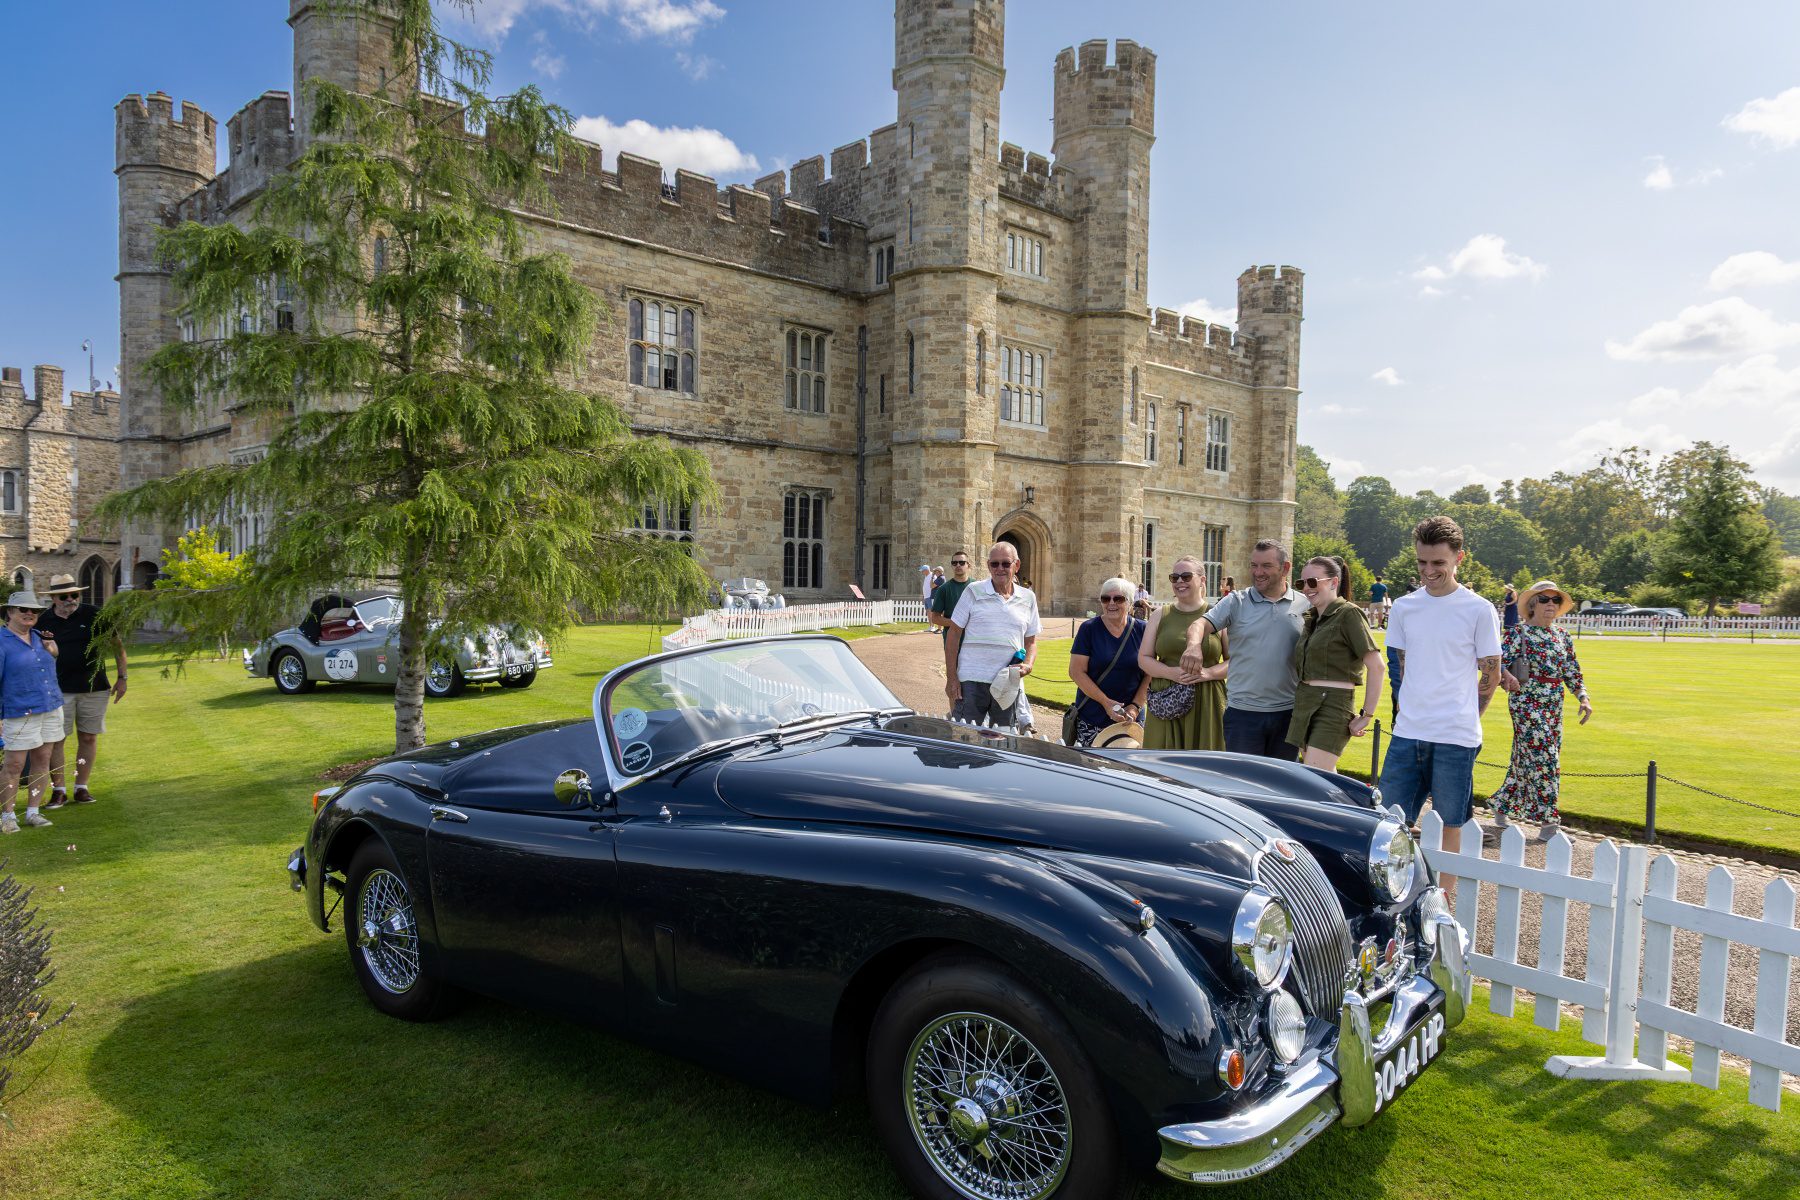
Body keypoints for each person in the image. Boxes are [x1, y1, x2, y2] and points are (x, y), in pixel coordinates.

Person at [1379, 516, 1503, 895]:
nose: (1429, 571)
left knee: (1452, 821)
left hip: (1456, 735)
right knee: (1388, 822)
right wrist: (1408, 709)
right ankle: (1392, 897)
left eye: (1438, 563)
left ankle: (1444, 904)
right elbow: (1397, 666)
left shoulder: (1479, 609)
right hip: (1408, 733)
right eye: (1422, 562)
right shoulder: (1403, 607)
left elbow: (1491, 674)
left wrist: (1464, 718)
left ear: (1458, 559)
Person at [1179, 539, 1308, 759]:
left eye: (1266, 566)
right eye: (1254, 565)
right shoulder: (1236, 602)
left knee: (1282, 787)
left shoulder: (1306, 605)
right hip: (1243, 715)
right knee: (1243, 786)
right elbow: (1199, 624)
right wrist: (1193, 647)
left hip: (1289, 714)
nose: (1258, 572)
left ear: (1285, 568)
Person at [1488, 581, 1593, 844]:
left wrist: (1583, 697)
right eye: (1545, 599)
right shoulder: (1519, 634)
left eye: (1555, 601)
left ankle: (1502, 805)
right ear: (1533, 604)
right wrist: (1507, 676)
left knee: (1526, 759)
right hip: (1526, 702)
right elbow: (1497, 663)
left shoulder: (1562, 636)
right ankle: (1549, 824)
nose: (1550, 605)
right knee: (1546, 758)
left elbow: (1571, 670)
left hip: (1553, 703)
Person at [39, 575, 127, 808]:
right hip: (58, 690)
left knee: (88, 736)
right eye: (64, 596)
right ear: (54, 599)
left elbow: (117, 646)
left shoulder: (94, 614)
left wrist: (122, 677)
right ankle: (59, 790)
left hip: (94, 687)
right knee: (57, 740)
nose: (71, 599)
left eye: (74, 595)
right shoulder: (43, 621)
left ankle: (81, 787)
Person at [1288, 555, 1383, 770]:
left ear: (1334, 582)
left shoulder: (1349, 614)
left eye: (1313, 582)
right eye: (1301, 583)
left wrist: (1367, 715)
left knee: (1315, 778)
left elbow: (1377, 666)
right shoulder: (1312, 619)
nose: (1306, 588)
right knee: (1322, 779)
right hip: (1305, 702)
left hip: (1332, 705)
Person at [945, 542, 1041, 728]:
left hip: (1008, 681)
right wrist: (952, 678)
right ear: (988, 565)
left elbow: (1031, 641)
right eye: (994, 564)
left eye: (1006, 564)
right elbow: (954, 634)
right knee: (966, 739)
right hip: (971, 681)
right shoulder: (973, 591)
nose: (1000, 569)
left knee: (1003, 740)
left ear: (1017, 565)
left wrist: (1028, 664)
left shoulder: (1028, 598)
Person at [1139, 556, 1226, 750]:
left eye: (1186, 576)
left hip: (1207, 700)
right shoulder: (1160, 615)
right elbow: (1143, 658)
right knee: (1160, 767)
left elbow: (1236, 661)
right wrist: (1171, 673)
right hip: (1166, 701)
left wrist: (1209, 673)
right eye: (1174, 577)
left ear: (1202, 580)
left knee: (1205, 766)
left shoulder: (1218, 615)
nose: (1179, 581)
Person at [0, 591, 64, 834]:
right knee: (14, 765)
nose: (29, 613)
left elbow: (47, 669)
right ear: (9, 612)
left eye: (34, 610)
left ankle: (33, 813)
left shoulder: (40, 638)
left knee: (42, 760)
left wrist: (53, 652)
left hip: (49, 706)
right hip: (19, 711)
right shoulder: (2, 641)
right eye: (23, 609)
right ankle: (7, 816)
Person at [1067, 577, 1149, 746]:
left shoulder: (1143, 630)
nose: (1111, 603)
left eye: (1118, 598)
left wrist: (1135, 706)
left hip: (1131, 720)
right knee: (1092, 768)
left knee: (1131, 769)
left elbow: (1150, 674)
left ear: (1130, 602)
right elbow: (1076, 671)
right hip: (1093, 716)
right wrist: (1106, 702)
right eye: (1106, 598)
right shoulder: (1089, 629)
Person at [927, 553, 972, 637]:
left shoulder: (977, 587)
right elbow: (935, 618)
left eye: (962, 562)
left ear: (968, 565)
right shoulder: (943, 589)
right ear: (951, 566)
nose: (958, 565)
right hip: (952, 639)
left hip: (975, 639)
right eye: (954, 563)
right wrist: (956, 623)